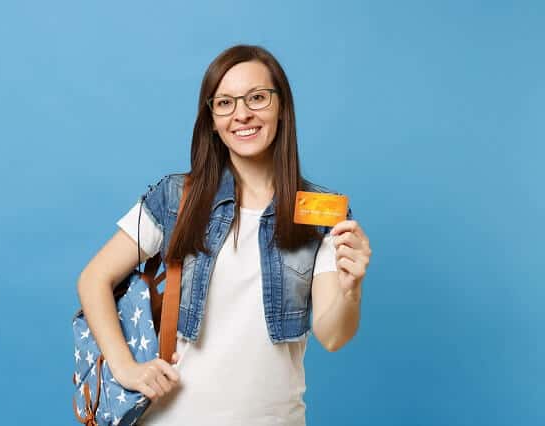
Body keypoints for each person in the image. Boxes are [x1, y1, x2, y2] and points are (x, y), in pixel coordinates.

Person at [77, 44, 372, 425]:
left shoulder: (320, 212)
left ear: (281, 107)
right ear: (212, 119)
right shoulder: (175, 198)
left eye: (257, 98)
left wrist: (352, 289)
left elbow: (333, 336)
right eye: (225, 103)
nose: (242, 114)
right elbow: (93, 278)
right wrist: (125, 368)